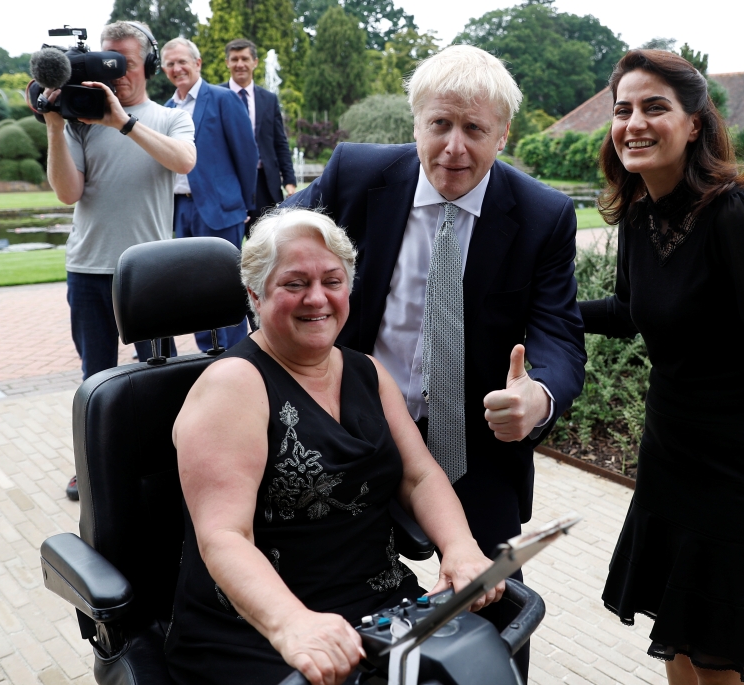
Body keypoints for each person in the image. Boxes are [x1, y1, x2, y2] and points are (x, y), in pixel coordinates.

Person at [284, 44, 586, 680]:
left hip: (475, 447)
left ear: (503, 133)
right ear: (416, 122)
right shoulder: (356, 176)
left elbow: (559, 333)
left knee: (493, 609)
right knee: (340, 597)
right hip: (355, 434)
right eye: (440, 124)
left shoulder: (543, 215)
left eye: (474, 128)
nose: (454, 146)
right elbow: (275, 244)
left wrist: (539, 396)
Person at [165, 208, 501, 685]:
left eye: (332, 280)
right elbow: (224, 536)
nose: (318, 298)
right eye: (295, 283)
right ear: (254, 295)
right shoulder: (232, 386)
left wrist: (461, 548)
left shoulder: (367, 371)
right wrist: (291, 624)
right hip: (264, 629)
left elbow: (419, 474)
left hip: (380, 610)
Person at [579, 50, 744, 684]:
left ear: (694, 123)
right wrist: (543, 312)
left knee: (718, 659)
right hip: (669, 461)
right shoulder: (639, 215)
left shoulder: (737, 217)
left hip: (735, 479)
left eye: (655, 107)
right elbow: (632, 311)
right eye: (623, 109)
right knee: (679, 644)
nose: (634, 122)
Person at [44, 20, 196, 501]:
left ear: (147, 65)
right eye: (103, 64)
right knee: (96, 377)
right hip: (89, 268)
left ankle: (165, 458)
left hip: (149, 271)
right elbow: (69, 193)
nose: (115, 74)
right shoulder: (78, 123)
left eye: (124, 64)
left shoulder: (170, 118)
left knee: (160, 372)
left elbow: (184, 162)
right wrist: (55, 124)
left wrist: (124, 124)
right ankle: (92, 468)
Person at [161, 37, 257, 352]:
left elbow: (246, 154)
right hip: (181, 211)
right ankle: (208, 358)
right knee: (193, 292)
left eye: (182, 62)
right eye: (170, 64)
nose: (177, 69)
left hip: (222, 210)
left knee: (226, 291)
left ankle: (240, 360)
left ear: (197, 63)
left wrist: (245, 204)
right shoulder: (166, 110)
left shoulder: (223, 99)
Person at [220, 38, 298, 224]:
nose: (240, 64)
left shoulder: (269, 99)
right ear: (227, 62)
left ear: (255, 62)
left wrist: (289, 180)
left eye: (245, 59)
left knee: (267, 244)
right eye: (235, 59)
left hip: (264, 184)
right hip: (229, 183)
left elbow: (280, 142)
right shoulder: (216, 96)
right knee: (227, 246)